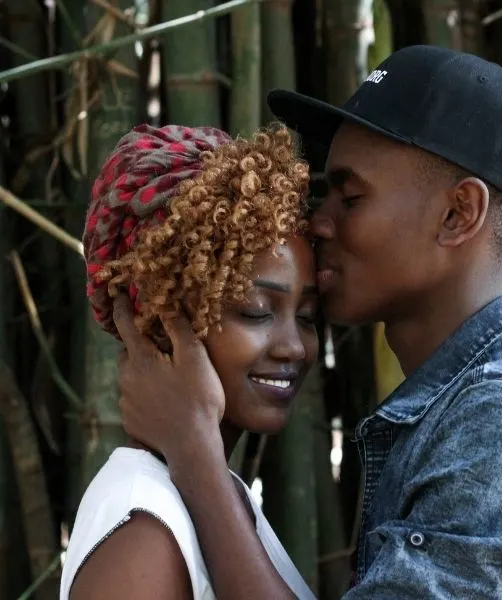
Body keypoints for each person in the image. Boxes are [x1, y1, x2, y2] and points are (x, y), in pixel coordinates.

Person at [115, 45, 502, 598]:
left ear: (457, 214)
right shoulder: (460, 404)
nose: (317, 223)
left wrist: (193, 448)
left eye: (349, 196)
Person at [60, 123, 319, 600]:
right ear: (163, 318)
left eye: (306, 316)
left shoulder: (220, 497)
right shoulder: (143, 535)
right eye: (256, 311)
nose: (295, 347)